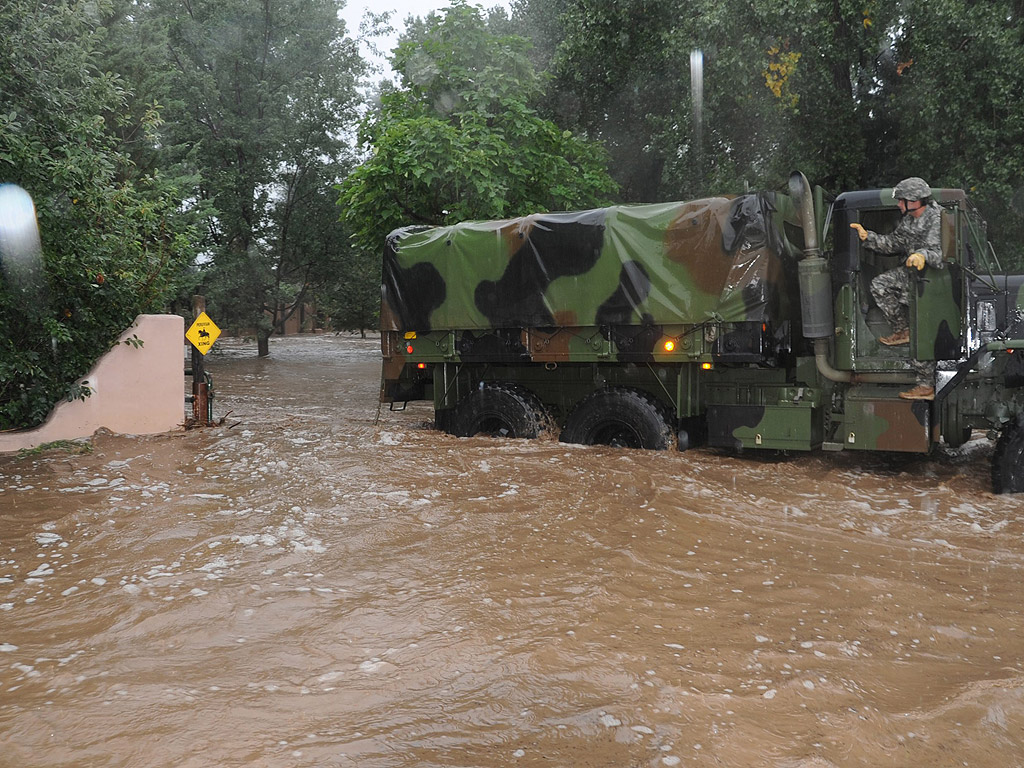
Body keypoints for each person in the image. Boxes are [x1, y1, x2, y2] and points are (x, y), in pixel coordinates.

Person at [849, 177, 943, 401]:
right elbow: (892, 243)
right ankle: (903, 330)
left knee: (923, 331)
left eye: (902, 201)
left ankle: (925, 385)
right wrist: (868, 237)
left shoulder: (936, 218)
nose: (899, 205)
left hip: (933, 281)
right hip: (912, 275)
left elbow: (940, 253)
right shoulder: (910, 220)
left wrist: (923, 255)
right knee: (880, 285)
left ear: (914, 200)